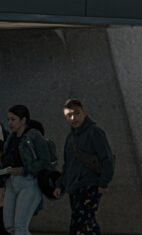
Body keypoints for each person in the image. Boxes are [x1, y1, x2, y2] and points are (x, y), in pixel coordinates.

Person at [53, 99, 114, 235]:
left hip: (90, 185)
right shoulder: (70, 139)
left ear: (84, 112)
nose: (73, 118)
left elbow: (107, 159)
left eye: (77, 113)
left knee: (80, 225)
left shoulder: (95, 132)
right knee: (87, 224)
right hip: (74, 187)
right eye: (69, 115)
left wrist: (103, 183)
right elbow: (68, 165)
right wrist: (60, 185)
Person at [2, 105, 51, 235]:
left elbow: (45, 162)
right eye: (8, 119)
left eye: (13, 119)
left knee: (20, 227)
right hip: (11, 182)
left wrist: (24, 170)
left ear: (23, 120)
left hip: (29, 182)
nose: (10, 123)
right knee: (9, 226)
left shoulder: (34, 135)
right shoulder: (11, 138)